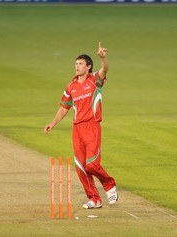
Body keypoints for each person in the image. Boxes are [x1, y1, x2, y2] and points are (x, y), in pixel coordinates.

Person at [44, 42, 118, 209]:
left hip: (92, 127)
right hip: (77, 129)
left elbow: (105, 69)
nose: (77, 66)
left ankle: (109, 184)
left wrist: (103, 58)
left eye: (80, 64)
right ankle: (94, 199)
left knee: (92, 165)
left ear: (88, 66)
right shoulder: (71, 86)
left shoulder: (94, 81)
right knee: (80, 167)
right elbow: (64, 107)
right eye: (75, 64)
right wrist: (53, 123)